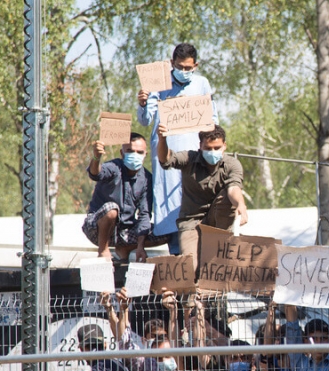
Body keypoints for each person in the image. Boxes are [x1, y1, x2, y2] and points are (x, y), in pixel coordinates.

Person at [137, 42, 218, 254]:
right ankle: (177, 256)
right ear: (172, 63)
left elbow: (213, 119)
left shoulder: (202, 84)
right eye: (179, 67)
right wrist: (143, 103)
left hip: (194, 155)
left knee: (195, 200)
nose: (184, 72)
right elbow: (145, 121)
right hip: (167, 154)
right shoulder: (159, 84)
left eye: (188, 68)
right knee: (169, 203)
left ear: (196, 65)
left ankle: (199, 253)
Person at [156, 123, 248, 268]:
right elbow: (165, 159)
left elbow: (233, 189)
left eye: (217, 148)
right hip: (191, 222)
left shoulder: (232, 165)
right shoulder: (189, 158)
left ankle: (221, 241)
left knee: (228, 198)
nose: (212, 152)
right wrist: (162, 139)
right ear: (200, 146)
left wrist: (240, 205)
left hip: (219, 221)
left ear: (225, 146)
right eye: (208, 148)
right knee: (191, 268)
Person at [82, 132, 168, 261]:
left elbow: (144, 214)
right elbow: (96, 174)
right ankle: (103, 251)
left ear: (145, 155)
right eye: (130, 151)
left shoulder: (146, 178)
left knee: (166, 231)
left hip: (125, 232)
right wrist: (96, 157)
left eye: (139, 152)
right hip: (97, 229)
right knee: (111, 209)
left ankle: (125, 248)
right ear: (122, 153)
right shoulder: (114, 167)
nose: (135, 155)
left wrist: (140, 247)